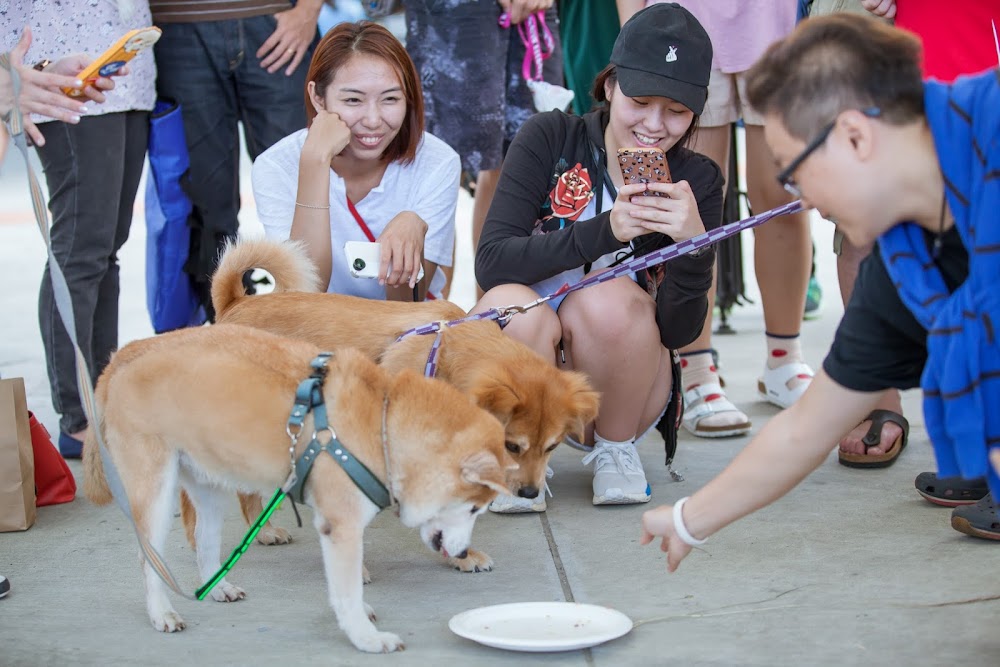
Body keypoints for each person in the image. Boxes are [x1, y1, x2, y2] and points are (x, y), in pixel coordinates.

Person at [640, 14, 1000, 568]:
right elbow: (808, 426)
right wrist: (691, 518)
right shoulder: (904, 267)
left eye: (793, 171)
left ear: (855, 136)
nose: (801, 199)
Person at [474, 3, 722, 510]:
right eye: (641, 101)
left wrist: (693, 250)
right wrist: (604, 231)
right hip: (530, 353)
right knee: (510, 303)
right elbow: (492, 263)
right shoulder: (550, 136)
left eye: (676, 111)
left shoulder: (696, 179)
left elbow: (678, 334)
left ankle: (617, 450)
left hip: (625, 378)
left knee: (608, 297)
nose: (654, 124)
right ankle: (517, 459)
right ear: (609, 86)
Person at [618, 0, 815, 441]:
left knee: (784, 194)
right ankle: (696, 368)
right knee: (690, 201)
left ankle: (785, 360)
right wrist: (635, 29)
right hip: (687, 19)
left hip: (777, 21)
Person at [1, 3, 154, 459]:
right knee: (80, 252)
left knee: (106, 249)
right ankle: (78, 416)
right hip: (55, 78)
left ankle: (102, 400)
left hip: (127, 78)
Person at [252, 21, 459, 300]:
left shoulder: (438, 162)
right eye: (353, 100)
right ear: (318, 98)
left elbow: (407, 308)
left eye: (390, 99)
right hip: (318, 331)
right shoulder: (275, 166)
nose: (373, 120)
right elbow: (303, 296)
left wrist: (411, 231)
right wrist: (315, 161)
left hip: (401, 330)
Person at [149, 0, 323, 319]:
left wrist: (309, 9)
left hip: (275, 20)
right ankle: (225, 331)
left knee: (308, 185)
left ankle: (317, 328)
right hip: (176, 27)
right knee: (203, 208)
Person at [404, 0, 564, 298]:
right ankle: (432, 322)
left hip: (530, 19)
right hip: (452, 18)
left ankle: (492, 315)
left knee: (523, 166)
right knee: (436, 164)